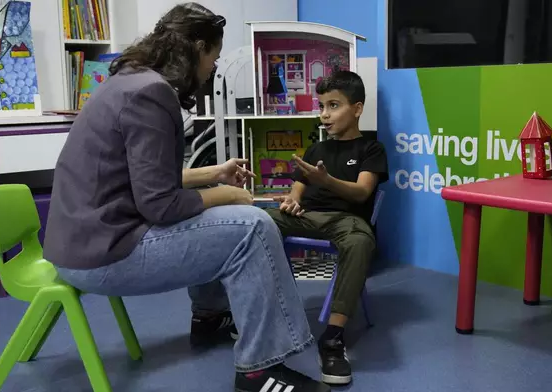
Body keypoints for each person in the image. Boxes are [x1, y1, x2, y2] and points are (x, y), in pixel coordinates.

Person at [43, 3, 330, 391]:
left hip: (78, 245)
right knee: (253, 228)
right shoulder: (152, 94)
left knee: (221, 217)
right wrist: (225, 193)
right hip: (103, 256)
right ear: (196, 48)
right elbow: (159, 205)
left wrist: (211, 174)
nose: (212, 69)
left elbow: (141, 179)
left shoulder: (127, 80)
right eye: (213, 57)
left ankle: (210, 316)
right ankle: (259, 370)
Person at [268, 71, 389, 385]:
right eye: (322, 106)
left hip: (348, 221)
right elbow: (297, 187)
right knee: (255, 220)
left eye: (333, 105)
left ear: (357, 109)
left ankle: (333, 339)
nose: (324, 114)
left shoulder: (371, 150)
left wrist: (326, 181)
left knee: (362, 241)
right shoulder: (316, 150)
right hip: (308, 216)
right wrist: (291, 202)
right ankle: (257, 314)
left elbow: (363, 192)